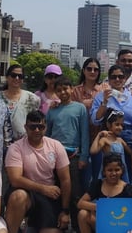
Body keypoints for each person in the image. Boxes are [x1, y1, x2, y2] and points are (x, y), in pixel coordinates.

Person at [4, 110, 72, 233]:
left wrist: (65, 210)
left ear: (45, 128)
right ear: (26, 127)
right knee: (18, 196)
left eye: (40, 127)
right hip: (26, 192)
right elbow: (15, 179)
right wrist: (43, 189)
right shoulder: (16, 148)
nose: (36, 130)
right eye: (32, 127)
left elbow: (65, 180)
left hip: (49, 196)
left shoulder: (56, 146)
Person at [90, 65, 132, 184]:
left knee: (126, 173)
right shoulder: (101, 96)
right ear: (109, 79)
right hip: (108, 136)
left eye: (120, 76)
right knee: (106, 173)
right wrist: (105, 102)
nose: (117, 79)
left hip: (127, 136)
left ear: (125, 79)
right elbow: (95, 119)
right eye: (113, 77)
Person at [46, 76, 90, 224]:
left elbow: (84, 133)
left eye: (65, 89)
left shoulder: (80, 108)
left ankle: (77, 225)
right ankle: (57, 223)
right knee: (56, 189)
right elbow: (47, 134)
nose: (63, 92)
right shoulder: (52, 110)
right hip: (54, 156)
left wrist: (84, 156)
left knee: (75, 191)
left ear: (72, 89)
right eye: (59, 90)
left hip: (73, 155)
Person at [77, 153, 132, 233]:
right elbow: (80, 203)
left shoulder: (128, 189)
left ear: (122, 170)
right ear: (104, 171)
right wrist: (102, 207)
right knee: (83, 214)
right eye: (110, 170)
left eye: (117, 170)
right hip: (101, 222)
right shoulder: (98, 184)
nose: (113, 173)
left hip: (119, 225)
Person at [90, 108, 132, 183]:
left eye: (122, 125)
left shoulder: (120, 140)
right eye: (117, 124)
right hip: (109, 174)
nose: (120, 128)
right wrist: (99, 135)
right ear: (108, 125)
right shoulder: (104, 140)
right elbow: (93, 151)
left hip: (121, 174)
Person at [0, 64, 40, 139]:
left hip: (24, 142)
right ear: (7, 77)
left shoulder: (32, 98)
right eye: (13, 75)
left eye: (20, 76)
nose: (17, 78)